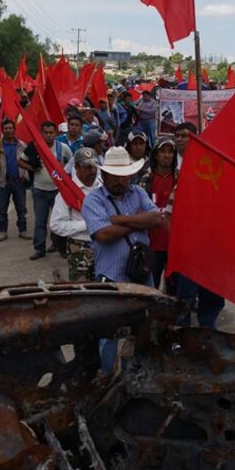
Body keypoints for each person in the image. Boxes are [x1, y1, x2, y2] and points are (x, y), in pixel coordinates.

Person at [83, 147, 168, 370]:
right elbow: (103, 235)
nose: (121, 180)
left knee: (146, 324)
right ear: (105, 175)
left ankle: (142, 368)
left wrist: (120, 220)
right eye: (115, 176)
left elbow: (157, 219)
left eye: (125, 175)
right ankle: (109, 375)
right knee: (109, 332)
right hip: (111, 276)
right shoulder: (93, 200)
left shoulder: (138, 193)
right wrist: (138, 221)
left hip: (141, 272)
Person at [22, 120, 73, 260]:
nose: (49, 135)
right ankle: (39, 249)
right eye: (46, 133)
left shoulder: (63, 148)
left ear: (55, 133)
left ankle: (62, 248)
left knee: (60, 221)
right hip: (39, 189)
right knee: (40, 221)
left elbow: (73, 163)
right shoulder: (35, 147)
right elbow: (20, 160)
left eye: (51, 133)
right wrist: (32, 168)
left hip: (58, 191)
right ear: (41, 133)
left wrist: (65, 167)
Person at [51, 149, 102, 281]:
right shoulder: (67, 192)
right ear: (76, 167)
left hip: (103, 245)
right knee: (81, 290)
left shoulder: (102, 188)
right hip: (79, 247)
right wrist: (87, 224)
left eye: (94, 166)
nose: (92, 171)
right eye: (87, 167)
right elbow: (56, 225)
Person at [140, 137, 177, 288]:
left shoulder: (181, 179)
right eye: (163, 151)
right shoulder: (145, 178)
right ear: (156, 154)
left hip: (174, 244)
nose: (166, 155)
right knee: (151, 286)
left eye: (170, 152)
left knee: (175, 288)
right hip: (152, 243)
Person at [0, 118, 28, 242]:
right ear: (2, 131)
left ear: (14, 130)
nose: (8, 130)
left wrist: (26, 177)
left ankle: (22, 230)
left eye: (11, 128)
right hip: (3, 182)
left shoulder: (21, 145)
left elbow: (29, 162)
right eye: (6, 128)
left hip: (19, 181)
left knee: (21, 207)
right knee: (2, 209)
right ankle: (2, 231)